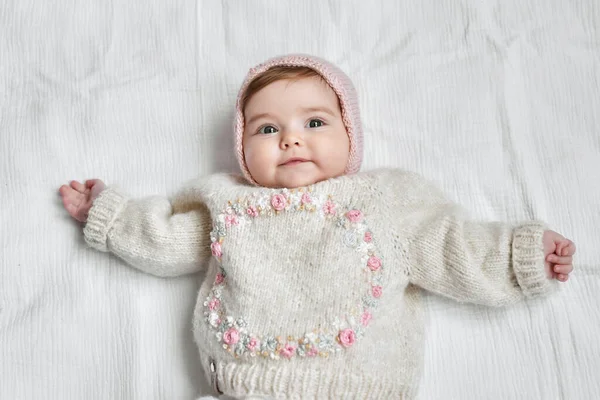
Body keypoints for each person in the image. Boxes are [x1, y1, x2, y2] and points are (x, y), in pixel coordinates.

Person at [58, 54, 576, 399]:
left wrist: (522, 254)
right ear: (241, 148)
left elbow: (451, 247)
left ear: (351, 135)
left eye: (314, 122)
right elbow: (166, 239)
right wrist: (109, 213)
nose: (290, 139)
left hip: (358, 387)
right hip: (242, 386)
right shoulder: (228, 204)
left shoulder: (383, 198)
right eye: (266, 128)